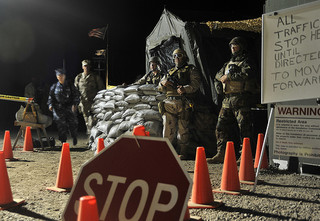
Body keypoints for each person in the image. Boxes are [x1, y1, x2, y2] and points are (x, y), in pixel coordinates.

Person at [207, 37, 257, 164]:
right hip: (227, 100)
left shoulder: (247, 61)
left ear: (241, 47)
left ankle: (245, 156)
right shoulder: (228, 63)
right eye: (231, 46)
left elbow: (247, 74)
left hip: (241, 99)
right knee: (220, 127)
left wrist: (228, 77)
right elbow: (218, 75)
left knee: (244, 128)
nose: (233, 48)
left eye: (236, 46)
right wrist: (220, 86)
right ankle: (221, 153)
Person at [158, 48, 201, 159]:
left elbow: (196, 84)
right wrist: (163, 83)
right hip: (169, 103)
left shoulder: (190, 69)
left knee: (183, 129)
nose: (176, 58)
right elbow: (159, 87)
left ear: (184, 57)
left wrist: (185, 89)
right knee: (168, 128)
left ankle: (182, 152)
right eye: (175, 56)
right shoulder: (170, 71)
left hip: (183, 102)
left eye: (179, 55)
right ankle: (166, 151)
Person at [48, 68, 80, 145]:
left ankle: (74, 136)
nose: (60, 77)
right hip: (59, 109)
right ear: (57, 77)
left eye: (62, 75)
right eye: (59, 75)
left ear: (65, 76)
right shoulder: (54, 87)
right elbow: (50, 97)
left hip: (69, 107)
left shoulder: (70, 85)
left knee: (73, 123)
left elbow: (76, 95)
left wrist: (75, 104)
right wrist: (50, 105)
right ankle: (63, 141)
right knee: (61, 125)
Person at [74, 60, 104, 134]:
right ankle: (90, 138)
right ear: (82, 67)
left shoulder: (95, 77)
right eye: (85, 66)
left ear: (90, 66)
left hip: (93, 102)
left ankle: (93, 136)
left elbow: (102, 89)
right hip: (83, 103)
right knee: (87, 121)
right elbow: (75, 91)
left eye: (87, 66)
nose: (86, 67)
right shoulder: (78, 78)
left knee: (92, 120)